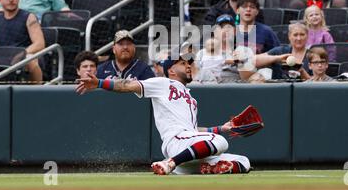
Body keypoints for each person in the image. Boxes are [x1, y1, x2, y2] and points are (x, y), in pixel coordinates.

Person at [76, 49, 251, 175]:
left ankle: (209, 168)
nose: (188, 66)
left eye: (189, 63)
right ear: (171, 70)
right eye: (182, 63)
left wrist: (223, 128)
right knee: (219, 142)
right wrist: (99, 83)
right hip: (175, 142)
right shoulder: (163, 83)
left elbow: (195, 131)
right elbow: (128, 85)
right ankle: (170, 163)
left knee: (244, 161)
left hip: (188, 152)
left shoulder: (191, 98)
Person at [241, 22, 311, 81]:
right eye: (295, 35)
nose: (298, 38)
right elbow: (251, 61)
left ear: (307, 36)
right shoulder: (280, 51)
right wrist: (277, 58)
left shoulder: (312, 54)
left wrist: (302, 72)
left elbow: (315, 83)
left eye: (302, 35)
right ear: (289, 36)